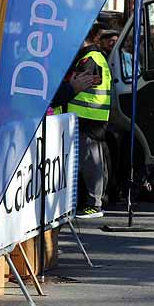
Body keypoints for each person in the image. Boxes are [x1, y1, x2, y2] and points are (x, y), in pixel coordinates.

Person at [56, 26, 114, 219]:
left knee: (90, 161)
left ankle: (93, 204)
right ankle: (94, 201)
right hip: (93, 115)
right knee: (93, 160)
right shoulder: (96, 56)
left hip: (87, 115)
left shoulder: (88, 59)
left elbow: (76, 84)